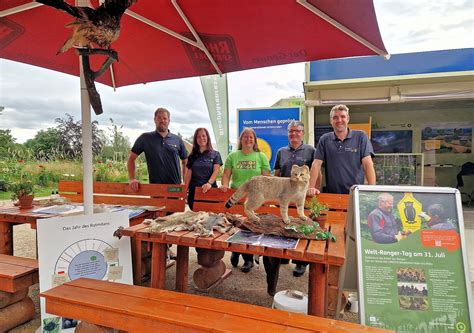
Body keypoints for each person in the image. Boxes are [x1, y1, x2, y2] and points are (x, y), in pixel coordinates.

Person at [273, 120, 320, 277]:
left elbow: (317, 173)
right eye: (291, 131)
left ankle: (301, 262)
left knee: (301, 225)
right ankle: (286, 256)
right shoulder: (281, 152)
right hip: (285, 195)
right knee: (286, 225)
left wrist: (314, 189)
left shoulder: (311, 150)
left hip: (303, 196)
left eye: (297, 131)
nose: (293, 133)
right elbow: (277, 174)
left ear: (302, 133)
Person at [221, 127, 271, 273]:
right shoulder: (233, 156)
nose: (248, 139)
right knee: (237, 225)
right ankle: (235, 251)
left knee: (249, 227)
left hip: (254, 198)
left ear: (254, 140)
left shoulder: (260, 156)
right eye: (245, 137)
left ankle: (248, 259)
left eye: (251, 137)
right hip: (237, 197)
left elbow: (266, 177)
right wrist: (224, 185)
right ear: (241, 140)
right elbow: (226, 175)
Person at [307, 104, 376, 196]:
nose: (339, 120)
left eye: (342, 116)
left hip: (355, 195)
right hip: (332, 195)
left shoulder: (361, 136)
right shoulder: (325, 139)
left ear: (348, 118)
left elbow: (368, 164)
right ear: (331, 121)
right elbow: (316, 164)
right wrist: (311, 187)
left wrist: (372, 191)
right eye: (335, 117)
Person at [127, 107, 188, 190]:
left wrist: (184, 181)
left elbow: (185, 161)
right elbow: (131, 159)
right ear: (154, 120)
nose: (162, 120)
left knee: (174, 203)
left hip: (174, 188)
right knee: (155, 203)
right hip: (155, 188)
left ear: (169, 121)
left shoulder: (177, 140)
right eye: (159, 118)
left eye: (165, 118)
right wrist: (132, 179)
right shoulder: (145, 138)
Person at [184, 128, 222, 210]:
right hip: (194, 193)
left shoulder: (215, 154)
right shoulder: (192, 156)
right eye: (198, 137)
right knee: (195, 220)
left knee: (211, 219)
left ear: (207, 137)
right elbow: (189, 174)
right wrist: (184, 190)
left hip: (210, 191)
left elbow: (216, 171)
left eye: (204, 136)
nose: (201, 138)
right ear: (195, 139)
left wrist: (209, 183)